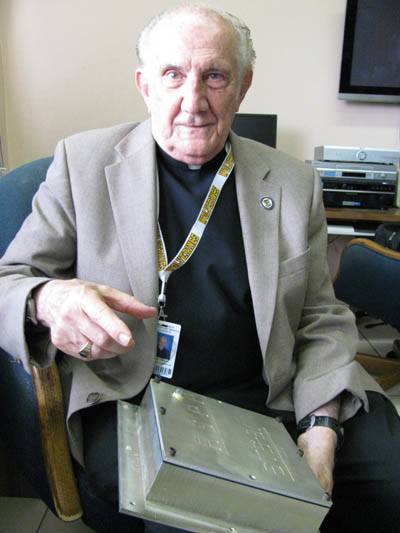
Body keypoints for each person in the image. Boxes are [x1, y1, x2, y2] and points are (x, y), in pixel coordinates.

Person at [0, 4, 399, 533]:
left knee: (390, 482)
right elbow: (10, 280)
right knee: (207, 512)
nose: (194, 103)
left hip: (273, 391)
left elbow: (321, 316)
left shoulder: (292, 180)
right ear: (144, 84)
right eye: (173, 76)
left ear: (243, 85)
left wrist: (322, 424)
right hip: (141, 400)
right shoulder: (83, 163)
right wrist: (48, 300)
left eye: (214, 76)